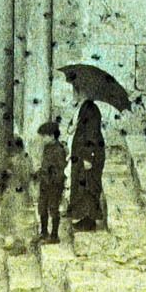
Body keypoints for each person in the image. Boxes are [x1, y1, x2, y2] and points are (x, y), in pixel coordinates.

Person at [66, 95, 106, 232]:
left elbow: (92, 133)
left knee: (89, 186)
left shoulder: (91, 109)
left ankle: (89, 220)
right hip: (80, 154)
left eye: (76, 90)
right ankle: (82, 217)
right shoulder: (81, 108)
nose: (74, 92)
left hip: (89, 155)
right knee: (80, 185)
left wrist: (88, 156)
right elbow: (72, 128)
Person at [0, 137, 37, 254]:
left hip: (19, 191)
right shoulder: (12, 159)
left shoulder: (25, 158)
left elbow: (25, 177)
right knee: (8, 217)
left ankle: (20, 245)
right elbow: (2, 175)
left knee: (18, 218)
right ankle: (11, 241)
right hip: (10, 190)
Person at [36, 120, 67, 243]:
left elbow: (60, 170)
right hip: (45, 183)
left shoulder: (59, 150)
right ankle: (43, 232)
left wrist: (53, 180)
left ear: (52, 136)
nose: (42, 139)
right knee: (42, 207)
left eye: (44, 136)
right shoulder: (47, 147)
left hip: (54, 185)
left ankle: (54, 236)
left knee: (53, 209)